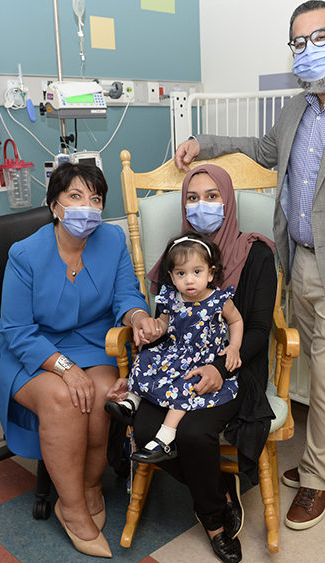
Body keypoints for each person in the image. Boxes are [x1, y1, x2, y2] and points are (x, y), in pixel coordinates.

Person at [173, 1, 325, 531]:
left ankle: (317, 479)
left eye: (319, 37)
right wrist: (205, 143)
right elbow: (261, 151)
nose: (307, 50)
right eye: (298, 42)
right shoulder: (297, 109)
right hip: (302, 265)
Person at [0, 162, 158, 558]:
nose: (88, 207)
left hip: (90, 341)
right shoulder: (25, 254)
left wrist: (138, 316)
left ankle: (91, 485)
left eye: (95, 199)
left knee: (99, 394)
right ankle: (72, 507)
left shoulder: (111, 240)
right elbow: (16, 329)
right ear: (54, 205)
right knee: (64, 398)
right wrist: (64, 368)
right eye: (76, 196)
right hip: (27, 348)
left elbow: (126, 294)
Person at [107, 164, 277, 563]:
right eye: (193, 198)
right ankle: (218, 488)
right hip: (178, 368)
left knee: (194, 435)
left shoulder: (256, 254)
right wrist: (149, 334)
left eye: (212, 196)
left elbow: (255, 328)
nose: (202, 206)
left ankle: (214, 522)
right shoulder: (178, 258)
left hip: (235, 367)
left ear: (228, 201)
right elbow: (171, 323)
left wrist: (220, 367)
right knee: (147, 429)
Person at [106, 232, 243, 464]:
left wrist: (234, 348)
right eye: (181, 273)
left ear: (211, 273)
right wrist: (154, 329)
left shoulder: (219, 300)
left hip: (203, 359)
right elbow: (165, 323)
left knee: (186, 385)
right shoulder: (173, 298)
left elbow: (236, 321)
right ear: (171, 276)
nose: (189, 280)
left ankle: (165, 438)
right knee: (145, 359)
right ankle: (132, 402)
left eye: (197, 272)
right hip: (176, 352)